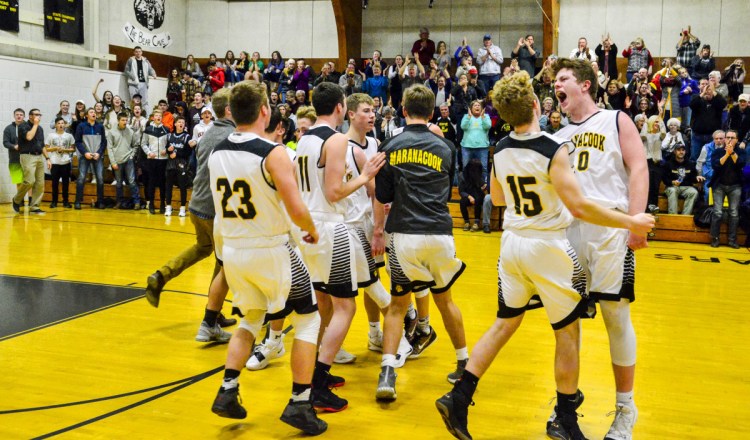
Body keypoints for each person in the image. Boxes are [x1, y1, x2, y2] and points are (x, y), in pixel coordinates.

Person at [435, 70, 654, 440]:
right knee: (568, 332)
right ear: (536, 105)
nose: (556, 84)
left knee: (508, 321)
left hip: (516, 243)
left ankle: (461, 395)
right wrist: (633, 219)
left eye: (565, 77)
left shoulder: (501, 147)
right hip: (554, 242)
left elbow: (500, 198)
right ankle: (566, 417)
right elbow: (580, 206)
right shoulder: (554, 144)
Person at [207, 80, 327, 436]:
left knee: (251, 318)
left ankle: (227, 390)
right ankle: (300, 403)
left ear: (231, 111)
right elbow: (295, 207)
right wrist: (310, 229)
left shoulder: (217, 152)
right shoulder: (271, 153)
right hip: (270, 249)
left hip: (234, 252)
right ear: (265, 111)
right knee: (308, 320)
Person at [551, 58, 650, 440]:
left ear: (585, 85)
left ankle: (626, 408)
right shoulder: (556, 134)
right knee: (566, 323)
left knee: (614, 316)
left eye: (563, 79)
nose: (555, 86)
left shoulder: (616, 120)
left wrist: (636, 220)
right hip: (569, 230)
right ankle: (565, 406)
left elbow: (639, 167)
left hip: (611, 227)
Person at [373, 84, 468, 401]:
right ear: (432, 113)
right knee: (447, 301)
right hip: (440, 232)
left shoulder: (390, 144)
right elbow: (450, 184)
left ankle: (387, 372)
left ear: (402, 109)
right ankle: (464, 365)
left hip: (404, 233)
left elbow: (383, 196)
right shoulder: (446, 147)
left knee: (399, 305)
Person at [294, 82, 385, 412]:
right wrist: (365, 175)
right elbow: (334, 192)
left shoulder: (303, 138)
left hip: (307, 228)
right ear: (339, 107)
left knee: (324, 305)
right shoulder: (335, 140)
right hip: (330, 228)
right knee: (346, 308)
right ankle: (318, 382)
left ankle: (314, 376)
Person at [145, 88, 237, 337]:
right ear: (229, 110)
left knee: (203, 248)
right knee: (224, 263)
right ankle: (212, 317)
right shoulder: (232, 135)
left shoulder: (208, 133)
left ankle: (161, 275)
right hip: (213, 208)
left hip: (197, 203)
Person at [709, 129, 746, 248]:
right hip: (719, 185)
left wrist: (732, 153)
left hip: (735, 186)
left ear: (737, 140)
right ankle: (714, 238)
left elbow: (741, 164)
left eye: (732, 138)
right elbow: (716, 165)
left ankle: (732, 240)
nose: (729, 140)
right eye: (727, 137)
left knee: (734, 213)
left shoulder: (741, 152)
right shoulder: (718, 151)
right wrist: (726, 154)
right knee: (718, 212)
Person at [11, 109, 47, 214]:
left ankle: (35, 206)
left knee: (40, 183)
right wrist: (35, 125)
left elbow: (42, 144)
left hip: (39, 156)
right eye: (36, 115)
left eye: (39, 114)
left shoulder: (40, 128)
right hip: (27, 156)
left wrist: (47, 158)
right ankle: (16, 199)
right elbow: (29, 137)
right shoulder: (23, 126)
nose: (38, 117)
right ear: (30, 116)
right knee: (29, 181)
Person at [74, 108, 107, 210]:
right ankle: (78, 201)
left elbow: (104, 142)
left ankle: (100, 202)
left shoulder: (100, 126)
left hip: (97, 156)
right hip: (85, 156)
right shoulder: (81, 126)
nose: (94, 114)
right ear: (87, 115)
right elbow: (78, 142)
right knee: (81, 178)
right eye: (91, 112)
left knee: (100, 179)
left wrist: (99, 153)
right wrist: (85, 153)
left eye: (95, 112)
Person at [106, 113, 140, 210]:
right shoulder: (111, 132)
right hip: (117, 161)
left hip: (128, 160)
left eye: (126, 120)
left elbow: (135, 145)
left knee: (132, 181)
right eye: (123, 120)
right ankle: (119, 202)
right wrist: (113, 162)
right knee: (119, 183)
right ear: (118, 120)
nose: (125, 122)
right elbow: (110, 148)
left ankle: (136, 202)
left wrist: (131, 156)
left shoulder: (130, 131)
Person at [164, 116, 195, 217]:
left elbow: (188, 151)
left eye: (183, 122)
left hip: (182, 164)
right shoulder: (169, 135)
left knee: (182, 186)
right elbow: (167, 148)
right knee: (168, 186)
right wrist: (169, 150)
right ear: (175, 124)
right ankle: (168, 207)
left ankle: (182, 208)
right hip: (171, 164)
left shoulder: (187, 137)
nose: (181, 124)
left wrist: (177, 154)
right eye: (179, 122)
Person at [141, 109, 170, 214]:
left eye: (160, 116)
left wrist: (166, 150)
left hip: (163, 160)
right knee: (151, 183)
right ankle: (151, 204)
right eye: (156, 115)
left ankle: (163, 204)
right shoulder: (148, 129)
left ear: (162, 117)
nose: (158, 117)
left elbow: (169, 144)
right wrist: (149, 153)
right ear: (153, 117)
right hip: (152, 160)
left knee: (162, 183)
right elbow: (143, 144)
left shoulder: (166, 129)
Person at [662, 144, 703, 215]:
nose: (681, 152)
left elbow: (693, 178)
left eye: (683, 150)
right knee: (673, 191)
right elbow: (664, 179)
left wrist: (697, 178)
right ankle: (673, 216)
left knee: (694, 192)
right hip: (672, 187)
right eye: (679, 150)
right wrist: (672, 182)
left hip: (686, 187)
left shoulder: (690, 164)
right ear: (674, 152)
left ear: (685, 152)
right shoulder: (668, 164)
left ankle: (685, 216)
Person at [45, 117, 76, 208]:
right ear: (55, 125)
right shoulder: (51, 135)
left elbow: (73, 148)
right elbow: (46, 148)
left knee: (66, 183)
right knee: (54, 183)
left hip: (65, 162)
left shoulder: (69, 136)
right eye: (58, 123)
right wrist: (55, 148)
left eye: (62, 123)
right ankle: (54, 201)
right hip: (55, 162)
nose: (60, 125)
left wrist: (64, 149)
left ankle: (65, 201)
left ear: (65, 125)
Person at [125, 46, 157, 111]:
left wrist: (153, 74)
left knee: (144, 101)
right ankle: (132, 115)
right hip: (133, 84)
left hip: (143, 83)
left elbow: (150, 69)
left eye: (139, 51)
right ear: (134, 52)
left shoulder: (146, 61)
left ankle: (146, 116)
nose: (138, 53)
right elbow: (126, 70)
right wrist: (133, 77)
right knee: (133, 101)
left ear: (142, 52)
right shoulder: (130, 60)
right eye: (136, 52)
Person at [4, 109, 26, 196]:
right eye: (17, 114)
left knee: (29, 181)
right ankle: (19, 200)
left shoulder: (28, 127)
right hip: (14, 158)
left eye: (21, 114)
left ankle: (31, 200)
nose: (19, 116)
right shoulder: (8, 128)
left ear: (24, 116)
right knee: (18, 180)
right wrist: (14, 146)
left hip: (27, 158)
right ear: (14, 116)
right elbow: (5, 142)